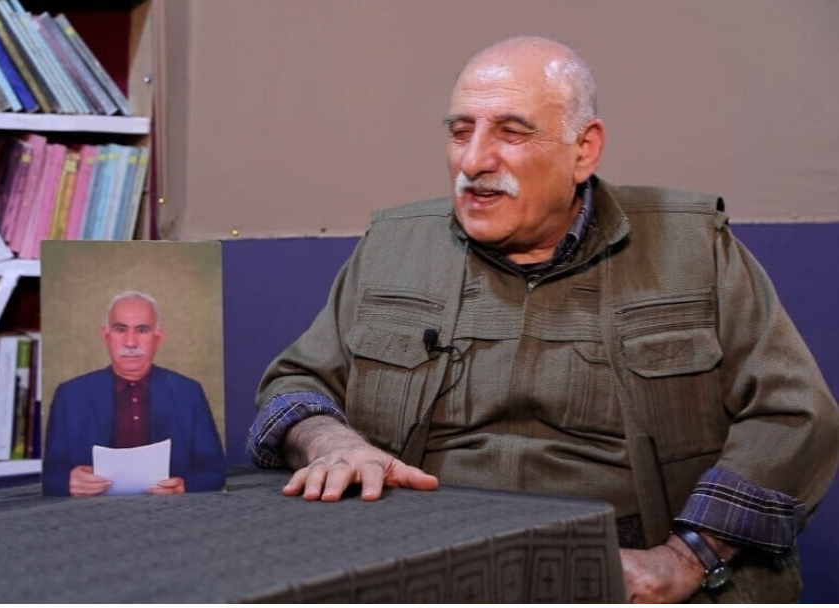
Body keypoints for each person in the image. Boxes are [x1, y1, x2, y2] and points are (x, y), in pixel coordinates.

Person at [248, 36, 839, 603]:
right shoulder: (392, 248)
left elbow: (794, 415)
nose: (473, 161)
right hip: (422, 563)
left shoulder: (693, 248)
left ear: (584, 149)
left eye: (512, 132)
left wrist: (682, 560)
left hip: (621, 573)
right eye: (460, 132)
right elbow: (294, 383)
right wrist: (331, 443)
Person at [43, 291, 225, 497]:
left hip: (170, 510)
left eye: (142, 330)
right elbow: (47, 477)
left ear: (158, 338)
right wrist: (66, 483)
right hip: (91, 511)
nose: (130, 342)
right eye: (120, 329)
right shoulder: (70, 395)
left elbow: (215, 472)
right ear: (106, 336)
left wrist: (185, 486)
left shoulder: (188, 393)